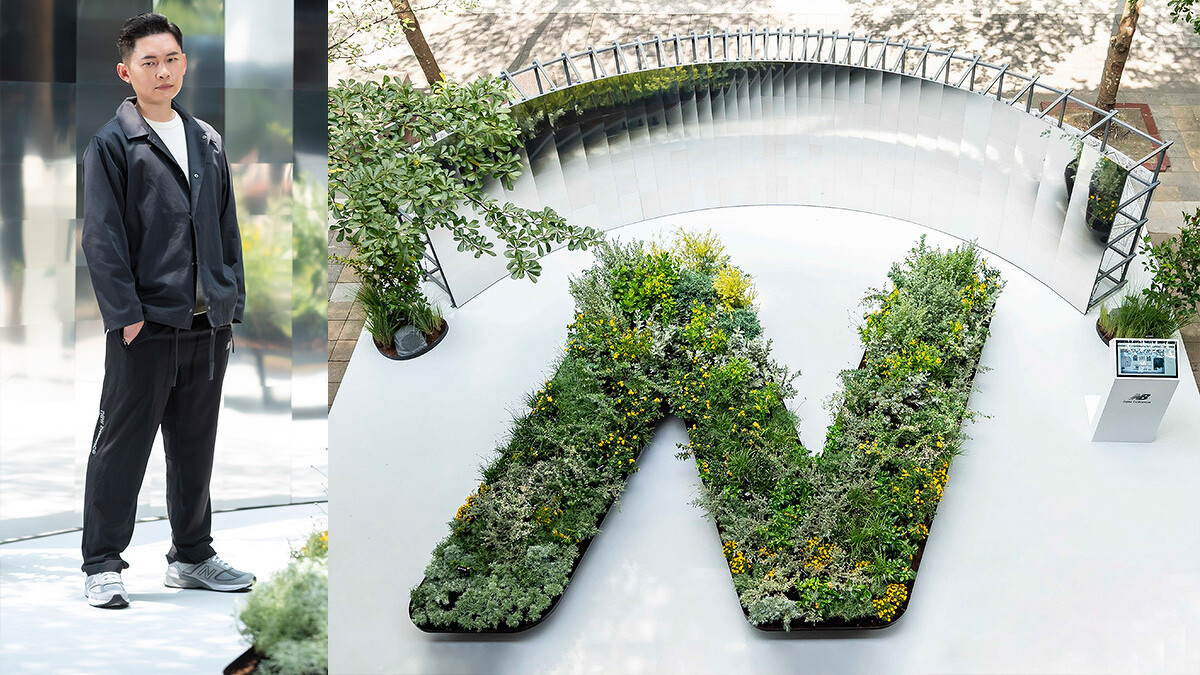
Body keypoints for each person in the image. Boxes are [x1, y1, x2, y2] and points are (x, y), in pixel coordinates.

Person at [80, 12, 253, 609]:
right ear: (126, 71)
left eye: (171, 59)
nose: (162, 71)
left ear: (184, 63)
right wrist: (125, 314)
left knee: (195, 442)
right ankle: (102, 563)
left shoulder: (206, 137)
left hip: (209, 323)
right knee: (122, 444)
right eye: (148, 62)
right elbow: (101, 238)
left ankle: (192, 555)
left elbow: (225, 226)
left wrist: (230, 296)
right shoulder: (112, 143)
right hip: (146, 325)